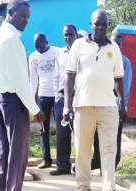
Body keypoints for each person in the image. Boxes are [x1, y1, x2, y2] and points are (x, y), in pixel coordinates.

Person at [0, 0, 45, 191]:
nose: (26, 21)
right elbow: (19, 79)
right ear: (9, 12)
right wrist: (35, 108)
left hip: (0, 98)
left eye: (28, 17)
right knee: (17, 153)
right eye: (22, 16)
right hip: (14, 100)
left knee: (3, 150)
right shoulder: (11, 40)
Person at [64, 10, 128, 191]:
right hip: (83, 105)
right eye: (97, 24)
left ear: (108, 26)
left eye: (104, 24)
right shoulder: (78, 45)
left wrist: (122, 103)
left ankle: (109, 189)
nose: (100, 27)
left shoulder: (114, 48)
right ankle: (83, 183)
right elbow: (70, 75)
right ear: (90, 24)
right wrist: (67, 105)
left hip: (108, 106)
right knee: (82, 146)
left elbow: (119, 79)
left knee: (109, 148)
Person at [91, 30, 132, 171]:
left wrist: (121, 106)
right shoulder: (104, 58)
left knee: (114, 137)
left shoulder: (125, 62)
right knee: (98, 135)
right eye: (114, 43)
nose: (116, 45)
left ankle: (112, 165)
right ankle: (97, 161)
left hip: (115, 105)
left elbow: (124, 88)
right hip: (100, 103)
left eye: (119, 43)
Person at [51, 24, 78, 176]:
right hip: (62, 97)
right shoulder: (59, 53)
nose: (68, 37)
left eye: (71, 34)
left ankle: (80, 166)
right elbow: (57, 75)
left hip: (78, 96)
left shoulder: (81, 52)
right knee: (62, 132)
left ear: (76, 35)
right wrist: (57, 96)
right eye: (65, 35)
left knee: (79, 133)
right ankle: (62, 166)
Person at [29, 33, 58, 169]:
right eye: (36, 46)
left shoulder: (57, 52)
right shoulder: (33, 57)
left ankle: (62, 159)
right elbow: (33, 80)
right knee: (43, 129)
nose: (38, 48)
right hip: (43, 96)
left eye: (40, 45)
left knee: (62, 127)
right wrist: (31, 100)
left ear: (46, 42)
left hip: (58, 95)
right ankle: (46, 159)